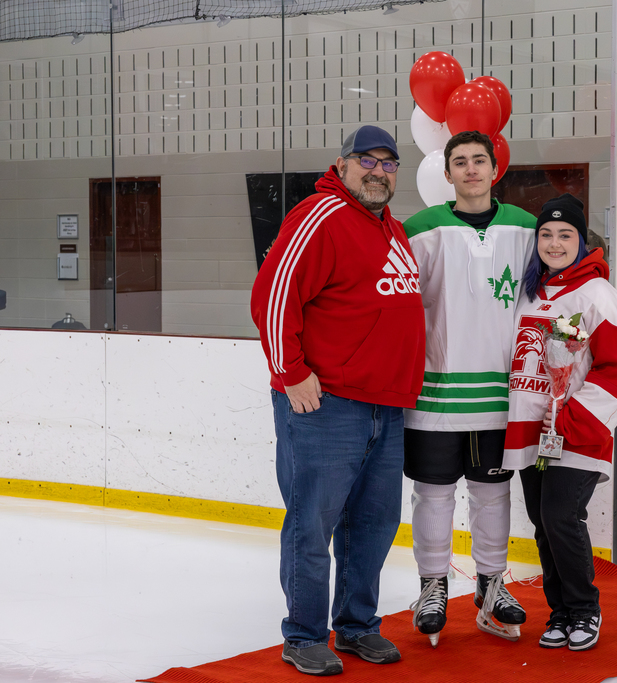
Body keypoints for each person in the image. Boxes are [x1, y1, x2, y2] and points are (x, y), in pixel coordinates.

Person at [250, 125, 425, 676]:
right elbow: (272, 296)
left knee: (373, 525)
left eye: (389, 164)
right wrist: (291, 373)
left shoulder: (392, 228)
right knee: (312, 523)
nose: (378, 171)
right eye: (367, 161)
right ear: (342, 164)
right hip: (325, 406)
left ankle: (356, 626)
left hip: (385, 407)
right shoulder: (320, 215)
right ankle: (304, 635)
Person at [402, 130, 537, 647]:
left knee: (492, 493)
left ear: (495, 168)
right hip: (434, 393)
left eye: (480, 160)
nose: (471, 169)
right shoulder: (421, 229)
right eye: (460, 162)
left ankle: (491, 584)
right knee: (433, 495)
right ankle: (432, 586)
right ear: (447, 173)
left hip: (500, 394)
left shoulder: (526, 227)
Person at [502, 193, 617, 652]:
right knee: (543, 522)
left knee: (562, 517)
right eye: (546, 234)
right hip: (533, 430)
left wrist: (571, 417)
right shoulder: (531, 291)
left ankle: (584, 610)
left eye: (565, 235)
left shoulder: (598, 293)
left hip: (576, 429)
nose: (554, 243)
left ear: (582, 241)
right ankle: (558, 612)